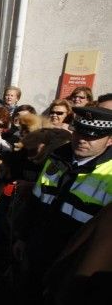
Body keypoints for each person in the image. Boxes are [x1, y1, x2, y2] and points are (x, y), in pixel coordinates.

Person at [12, 106, 112, 303]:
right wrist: (22, 237)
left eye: (93, 136)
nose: (82, 139)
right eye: (79, 132)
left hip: (73, 264)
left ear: (110, 140)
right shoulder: (59, 155)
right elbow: (36, 200)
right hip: (36, 251)